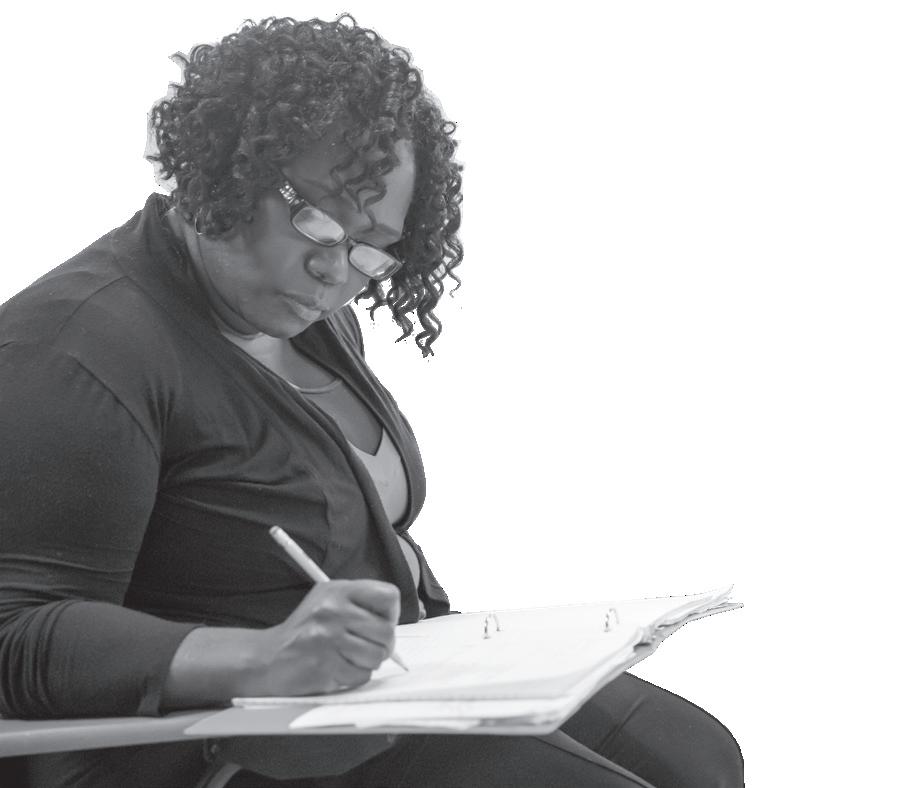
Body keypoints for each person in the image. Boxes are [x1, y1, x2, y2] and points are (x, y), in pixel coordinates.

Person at [0, 15, 743, 788]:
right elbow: (14, 632)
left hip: (387, 674)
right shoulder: (76, 346)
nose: (335, 271)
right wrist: (261, 657)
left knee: (700, 757)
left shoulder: (308, 317)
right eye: (317, 219)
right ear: (229, 165)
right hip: (222, 735)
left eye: (370, 247)